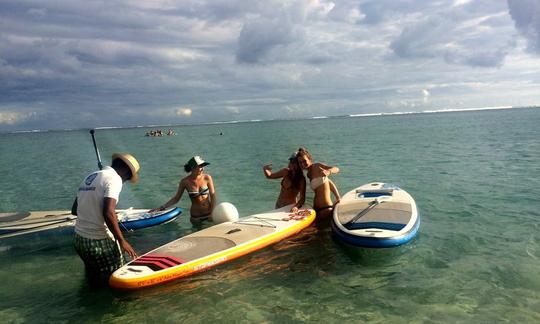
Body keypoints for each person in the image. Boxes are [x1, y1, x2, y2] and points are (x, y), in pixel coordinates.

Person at [71, 153, 140, 285]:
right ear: (126, 171)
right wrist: (122, 241)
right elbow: (108, 211)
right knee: (116, 277)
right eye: (127, 178)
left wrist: (100, 214)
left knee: (92, 276)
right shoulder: (115, 179)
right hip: (98, 241)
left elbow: (75, 210)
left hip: (79, 239)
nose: (125, 181)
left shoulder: (90, 176)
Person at [150, 156, 216, 225]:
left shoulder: (207, 178)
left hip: (209, 214)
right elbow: (176, 198)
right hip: (196, 217)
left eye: (203, 166)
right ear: (193, 167)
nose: (202, 169)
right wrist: (161, 208)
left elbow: (213, 196)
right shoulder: (185, 181)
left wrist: (212, 212)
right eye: (199, 166)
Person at [296, 147, 341, 221]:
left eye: (304, 161)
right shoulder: (308, 174)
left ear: (310, 160)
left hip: (325, 209)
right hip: (317, 210)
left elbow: (336, 169)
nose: (302, 164)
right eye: (300, 162)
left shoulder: (317, 166)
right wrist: (338, 197)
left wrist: (329, 171)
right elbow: (328, 182)